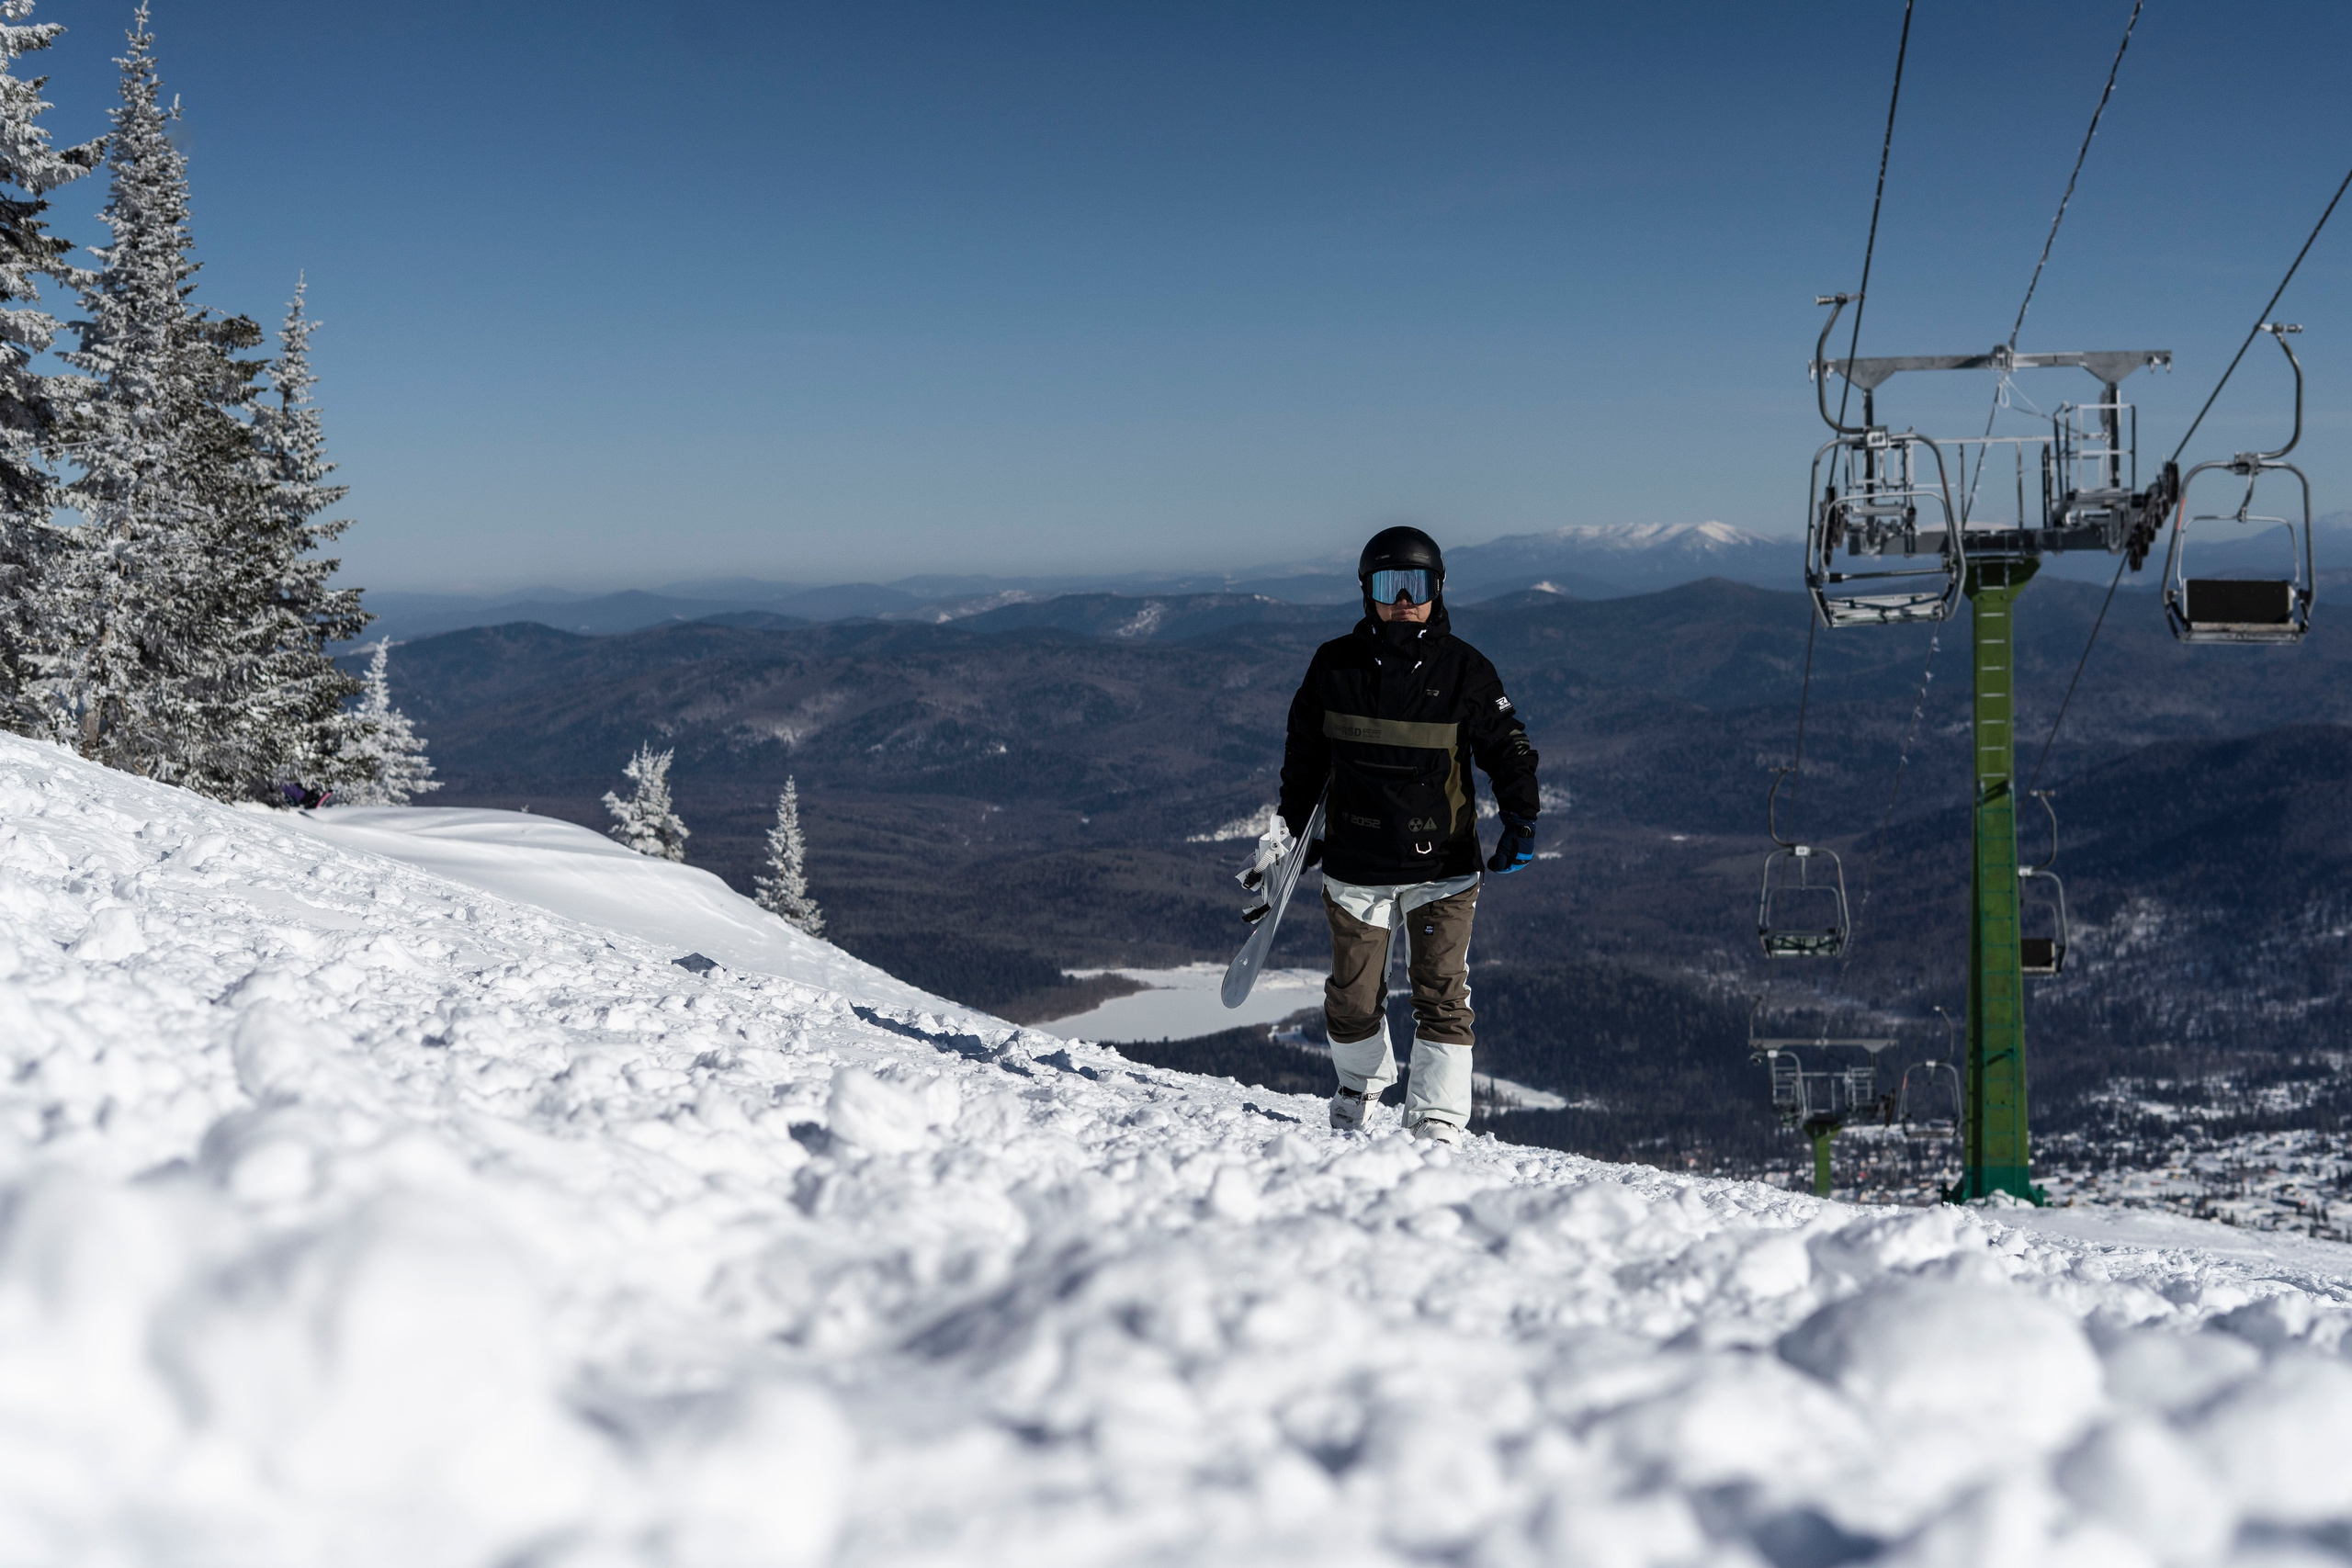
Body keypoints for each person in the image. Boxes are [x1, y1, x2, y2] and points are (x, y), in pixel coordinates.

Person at [1249, 525, 1540, 1143]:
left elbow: (1508, 748)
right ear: (1367, 593)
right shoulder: (1335, 667)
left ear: (1437, 592)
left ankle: (1436, 1118)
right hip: (1357, 863)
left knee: (1441, 993)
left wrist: (1522, 818)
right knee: (1351, 998)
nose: (1404, 600)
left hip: (1444, 868)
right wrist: (1288, 835)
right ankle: (1358, 1084)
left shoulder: (1465, 669)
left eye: (1418, 585)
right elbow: (1303, 758)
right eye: (1389, 585)